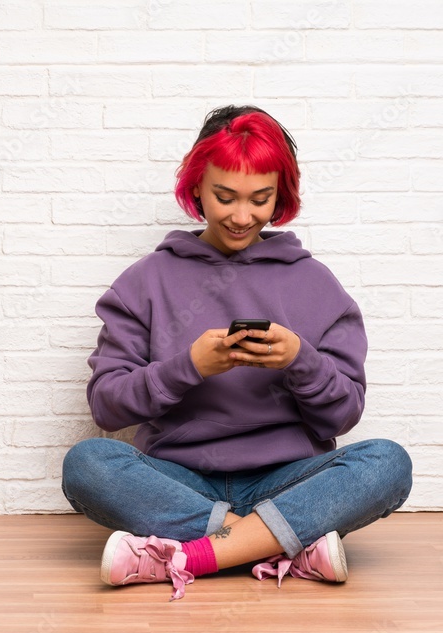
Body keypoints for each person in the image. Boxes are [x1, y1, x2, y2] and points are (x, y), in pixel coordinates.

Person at [61, 104, 413, 601]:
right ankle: (281, 545)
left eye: (260, 199)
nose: (242, 216)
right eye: (225, 197)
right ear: (197, 188)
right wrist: (188, 368)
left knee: (388, 463)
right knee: (87, 464)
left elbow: (344, 416)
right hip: (179, 482)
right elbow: (107, 406)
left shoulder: (315, 284)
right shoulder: (145, 281)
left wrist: (301, 360)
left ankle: (189, 555)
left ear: (281, 197)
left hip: (288, 479)